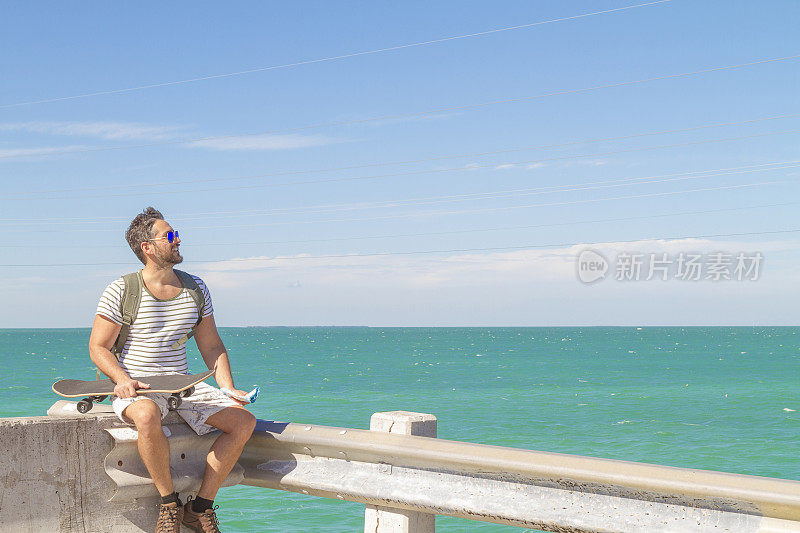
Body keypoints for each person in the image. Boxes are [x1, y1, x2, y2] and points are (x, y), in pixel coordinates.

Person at [89, 207, 256, 533]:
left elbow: (211, 346)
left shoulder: (196, 289)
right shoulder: (121, 290)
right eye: (169, 236)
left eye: (175, 234)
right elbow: (98, 347)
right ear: (147, 248)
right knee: (147, 415)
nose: (177, 239)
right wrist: (121, 380)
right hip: (137, 385)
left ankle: (201, 507)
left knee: (243, 422)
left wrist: (227, 387)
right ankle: (170, 504)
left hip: (183, 385)